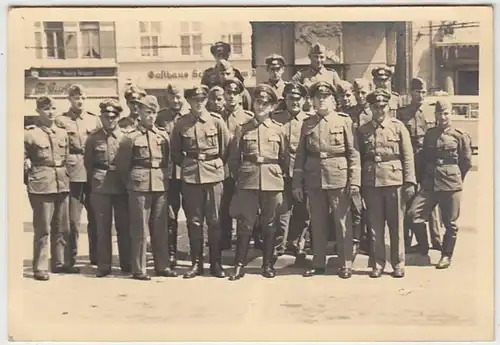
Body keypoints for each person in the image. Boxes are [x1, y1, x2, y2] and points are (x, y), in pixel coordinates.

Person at [292, 81, 361, 279]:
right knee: (318, 222)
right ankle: (318, 262)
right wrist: (297, 182)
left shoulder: (344, 121)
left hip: (339, 176)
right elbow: (300, 155)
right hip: (314, 177)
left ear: (333, 100)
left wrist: (354, 180)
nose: (321, 101)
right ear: (312, 101)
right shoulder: (308, 123)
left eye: (325, 97)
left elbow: (353, 153)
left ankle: (346, 263)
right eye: (317, 97)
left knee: (342, 222)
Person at [170, 85, 231, 279]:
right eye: (195, 100)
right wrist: (191, 164)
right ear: (188, 101)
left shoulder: (217, 121)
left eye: (202, 99)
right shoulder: (182, 123)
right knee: (194, 222)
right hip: (191, 176)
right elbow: (176, 152)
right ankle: (196, 263)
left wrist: (213, 164)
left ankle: (216, 263)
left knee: (214, 221)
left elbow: (225, 149)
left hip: (213, 175)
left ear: (206, 100)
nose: (199, 103)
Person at [228, 84, 288, 280]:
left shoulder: (279, 130)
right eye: (258, 102)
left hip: (272, 179)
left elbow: (285, 157)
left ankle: (267, 265)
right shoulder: (243, 129)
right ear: (253, 104)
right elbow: (234, 158)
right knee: (245, 224)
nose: (261, 106)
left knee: (270, 224)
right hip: (249, 179)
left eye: (265, 103)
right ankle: (239, 265)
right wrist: (241, 177)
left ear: (271, 107)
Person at [116, 95, 176, 281]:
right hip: (139, 184)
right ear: (139, 113)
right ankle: (139, 268)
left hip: (159, 183)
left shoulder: (162, 135)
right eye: (147, 112)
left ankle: (162, 265)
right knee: (140, 228)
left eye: (153, 112)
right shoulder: (130, 138)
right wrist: (132, 182)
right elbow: (123, 166)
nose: (151, 116)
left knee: (160, 226)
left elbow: (168, 162)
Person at [358, 88, 416, 278]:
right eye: (376, 107)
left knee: (396, 225)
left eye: (383, 107)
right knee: (375, 226)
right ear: (370, 108)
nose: (380, 111)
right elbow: (358, 158)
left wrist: (409, 181)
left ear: (388, 107)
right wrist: (358, 185)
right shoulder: (363, 130)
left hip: (394, 180)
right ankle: (378, 264)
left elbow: (408, 156)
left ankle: (398, 263)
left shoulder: (398, 127)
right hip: (371, 181)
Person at [407, 99, 472, 269]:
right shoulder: (430, 134)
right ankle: (423, 247)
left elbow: (466, 162)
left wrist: (457, 179)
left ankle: (446, 255)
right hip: (430, 184)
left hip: (451, 184)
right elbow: (424, 158)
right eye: (439, 114)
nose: (442, 117)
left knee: (450, 223)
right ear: (435, 115)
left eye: (445, 113)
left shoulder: (460, 135)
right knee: (413, 215)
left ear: (451, 114)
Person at [24, 96, 75, 280]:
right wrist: (30, 178)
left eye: (53, 108)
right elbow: (21, 162)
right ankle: (40, 267)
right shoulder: (29, 134)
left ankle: (60, 262)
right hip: (42, 184)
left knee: (62, 227)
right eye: (46, 109)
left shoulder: (62, 133)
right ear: (38, 111)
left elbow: (67, 158)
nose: (51, 112)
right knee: (43, 228)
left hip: (61, 182)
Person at [55, 84, 101, 268]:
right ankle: (70, 258)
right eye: (75, 98)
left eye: (82, 97)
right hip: (72, 173)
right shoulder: (60, 121)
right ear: (69, 99)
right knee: (72, 220)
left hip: (92, 172)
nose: (79, 101)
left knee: (96, 217)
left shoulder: (94, 119)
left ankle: (97, 256)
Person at [84, 99, 131, 277]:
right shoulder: (93, 138)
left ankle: (126, 263)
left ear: (118, 117)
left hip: (121, 185)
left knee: (124, 226)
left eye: (114, 116)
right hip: (100, 185)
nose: (110, 119)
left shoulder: (126, 137)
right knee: (102, 227)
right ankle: (104, 265)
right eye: (107, 116)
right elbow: (88, 163)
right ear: (101, 117)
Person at [397, 77, 443, 255]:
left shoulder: (432, 113)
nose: (421, 95)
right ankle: (408, 241)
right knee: (408, 200)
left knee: (431, 201)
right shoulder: (403, 113)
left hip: (428, 162)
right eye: (417, 92)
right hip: (411, 161)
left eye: (423, 92)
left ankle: (436, 240)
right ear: (411, 93)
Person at [270, 82, 311, 260]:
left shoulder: (309, 120)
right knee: (281, 210)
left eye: (297, 99)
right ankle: (279, 245)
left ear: (303, 100)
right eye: (290, 98)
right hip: (282, 171)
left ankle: (297, 243)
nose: (294, 102)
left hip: (303, 172)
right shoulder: (276, 118)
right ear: (284, 100)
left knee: (302, 211)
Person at [154, 84, 189, 268]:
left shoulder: (191, 116)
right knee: (170, 215)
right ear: (167, 97)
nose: (176, 101)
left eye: (179, 97)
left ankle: (194, 254)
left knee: (192, 214)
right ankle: (171, 252)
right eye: (172, 97)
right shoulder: (161, 117)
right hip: (168, 173)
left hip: (188, 172)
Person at [219, 77, 254, 250]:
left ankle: (244, 243)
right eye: (228, 92)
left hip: (243, 168)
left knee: (244, 207)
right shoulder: (217, 116)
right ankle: (224, 241)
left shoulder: (248, 118)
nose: (231, 96)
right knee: (223, 206)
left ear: (241, 96)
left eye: (235, 93)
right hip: (221, 168)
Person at [336, 80, 369, 259]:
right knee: (353, 205)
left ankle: (367, 241)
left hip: (369, 164)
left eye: (350, 94)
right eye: (345, 95)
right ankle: (354, 241)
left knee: (369, 206)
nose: (349, 98)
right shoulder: (343, 115)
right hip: (351, 165)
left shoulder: (370, 113)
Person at [291, 42, 342, 113]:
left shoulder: (332, 74)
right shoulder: (301, 75)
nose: (318, 60)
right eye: (315, 57)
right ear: (309, 57)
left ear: (325, 57)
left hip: (327, 113)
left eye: (321, 57)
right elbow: (292, 94)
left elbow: (339, 96)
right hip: (307, 113)